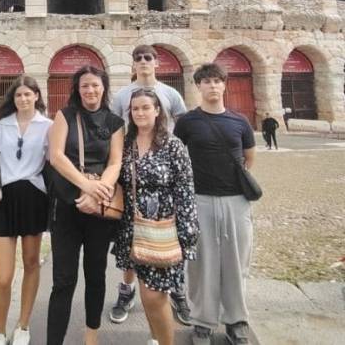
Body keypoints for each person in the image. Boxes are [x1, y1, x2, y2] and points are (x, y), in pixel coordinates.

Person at [173, 63, 256, 345]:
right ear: (198, 86)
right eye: (206, 81)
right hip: (200, 199)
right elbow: (177, 156)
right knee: (201, 264)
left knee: (236, 262)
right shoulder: (187, 122)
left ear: (224, 85)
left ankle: (236, 320)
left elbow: (249, 158)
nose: (212, 86)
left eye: (217, 81)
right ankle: (202, 321)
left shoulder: (240, 121)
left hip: (236, 200)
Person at [109, 44, 191, 326]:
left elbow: (182, 125)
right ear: (133, 64)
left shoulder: (170, 93)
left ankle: (177, 291)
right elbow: (114, 127)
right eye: (138, 58)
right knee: (132, 241)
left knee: (169, 239)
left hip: (163, 167)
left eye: (148, 57)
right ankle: (127, 289)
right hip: (133, 163)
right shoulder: (122, 94)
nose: (143, 61)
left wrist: (174, 154)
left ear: (157, 62)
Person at [47, 65, 124, 345]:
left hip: (99, 208)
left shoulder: (114, 122)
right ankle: (54, 340)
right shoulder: (65, 115)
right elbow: (56, 156)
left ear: (104, 87)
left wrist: (98, 192)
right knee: (63, 280)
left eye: (95, 85)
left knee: (96, 275)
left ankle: (91, 337)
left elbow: (115, 162)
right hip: (67, 206)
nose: (90, 90)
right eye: (84, 86)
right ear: (77, 90)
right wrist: (86, 185)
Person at [0, 76, 52, 345]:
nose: (23, 99)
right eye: (18, 95)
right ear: (12, 99)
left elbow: (55, 162)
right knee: (3, 276)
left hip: (33, 197)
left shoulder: (49, 126)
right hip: (4, 199)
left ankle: (23, 326)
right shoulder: (1, 126)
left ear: (37, 96)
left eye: (28, 94)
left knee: (31, 262)